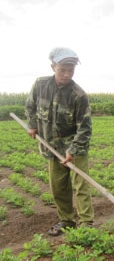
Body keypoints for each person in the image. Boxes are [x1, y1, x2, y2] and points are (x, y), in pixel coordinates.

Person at [25, 47, 94, 236]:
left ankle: (86, 223)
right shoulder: (40, 85)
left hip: (75, 148)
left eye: (71, 70)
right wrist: (32, 125)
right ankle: (67, 221)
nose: (67, 74)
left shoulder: (78, 95)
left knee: (81, 185)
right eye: (62, 69)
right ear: (53, 66)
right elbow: (30, 107)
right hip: (51, 146)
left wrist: (72, 150)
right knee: (58, 187)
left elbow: (85, 127)